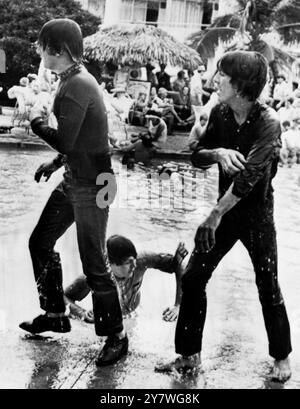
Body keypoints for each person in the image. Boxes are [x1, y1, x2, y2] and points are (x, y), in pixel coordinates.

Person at [156, 50, 292, 383]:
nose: (214, 80)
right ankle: (188, 356)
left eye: (222, 75)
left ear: (241, 84)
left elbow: (249, 179)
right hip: (224, 214)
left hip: (256, 215)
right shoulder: (220, 112)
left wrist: (213, 214)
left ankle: (282, 357)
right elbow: (197, 157)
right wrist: (216, 151)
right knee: (192, 278)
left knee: (267, 283)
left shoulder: (268, 122)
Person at [19, 18, 128, 367]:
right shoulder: (70, 80)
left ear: (59, 50)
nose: (38, 51)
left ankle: (117, 336)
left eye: (41, 45)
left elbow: (66, 137)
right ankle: (54, 313)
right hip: (76, 179)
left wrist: (36, 124)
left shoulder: (79, 84)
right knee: (40, 241)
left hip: (98, 184)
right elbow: (78, 139)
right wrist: (56, 162)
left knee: (95, 261)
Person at [64, 236, 188, 323]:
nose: (134, 267)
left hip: (132, 312)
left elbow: (177, 266)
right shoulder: (95, 275)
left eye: (134, 261)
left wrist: (178, 305)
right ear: (112, 264)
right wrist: (82, 314)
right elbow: (62, 297)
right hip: (109, 319)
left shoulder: (142, 260)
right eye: (129, 263)